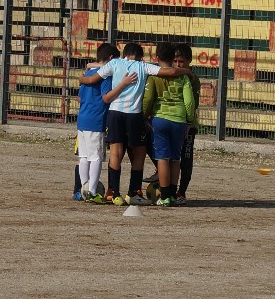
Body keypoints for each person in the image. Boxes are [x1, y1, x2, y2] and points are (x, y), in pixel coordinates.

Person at [79, 42, 193, 207]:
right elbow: (171, 71)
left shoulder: (114, 63)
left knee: (115, 153)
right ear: (141, 56)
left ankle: (114, 194)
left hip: (114, 113)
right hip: (133, 114)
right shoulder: (143, 66)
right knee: (139, 153)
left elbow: (92, 78)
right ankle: (133, 192)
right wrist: (186, 71)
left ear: (124, 54)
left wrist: (82, 78)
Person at [76, 43, 137, 204]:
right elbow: (106, 97)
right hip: (96, 121)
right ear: (111, 59)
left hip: (82, 120)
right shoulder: (106, 76)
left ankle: (83, 188)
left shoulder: (88, 73)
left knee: (83, 157)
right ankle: (92, 191)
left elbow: (80, 97)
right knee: (96, 157)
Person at [142, 42, 195, 207]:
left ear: (156, 58)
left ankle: (164, 196)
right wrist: (189, 121)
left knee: (162, 159)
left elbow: (148, 100)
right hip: (179, 120)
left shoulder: (154, 77)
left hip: (161, 120)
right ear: (173, 58)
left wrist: (144, 117)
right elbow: (189, 102)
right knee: (175, 159)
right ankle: (173, 194)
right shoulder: (184, 77)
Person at [173, 43, 201, 205]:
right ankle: (168, 187)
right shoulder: (169, 75)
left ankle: (182, 191)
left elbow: (193, 104)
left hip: (188, 126)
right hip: (173, 122)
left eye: (181, 62)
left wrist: (188, 123)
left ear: (189, 61)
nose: (177, 65)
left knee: (186, 159)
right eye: (175, 61)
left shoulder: (193, 80)